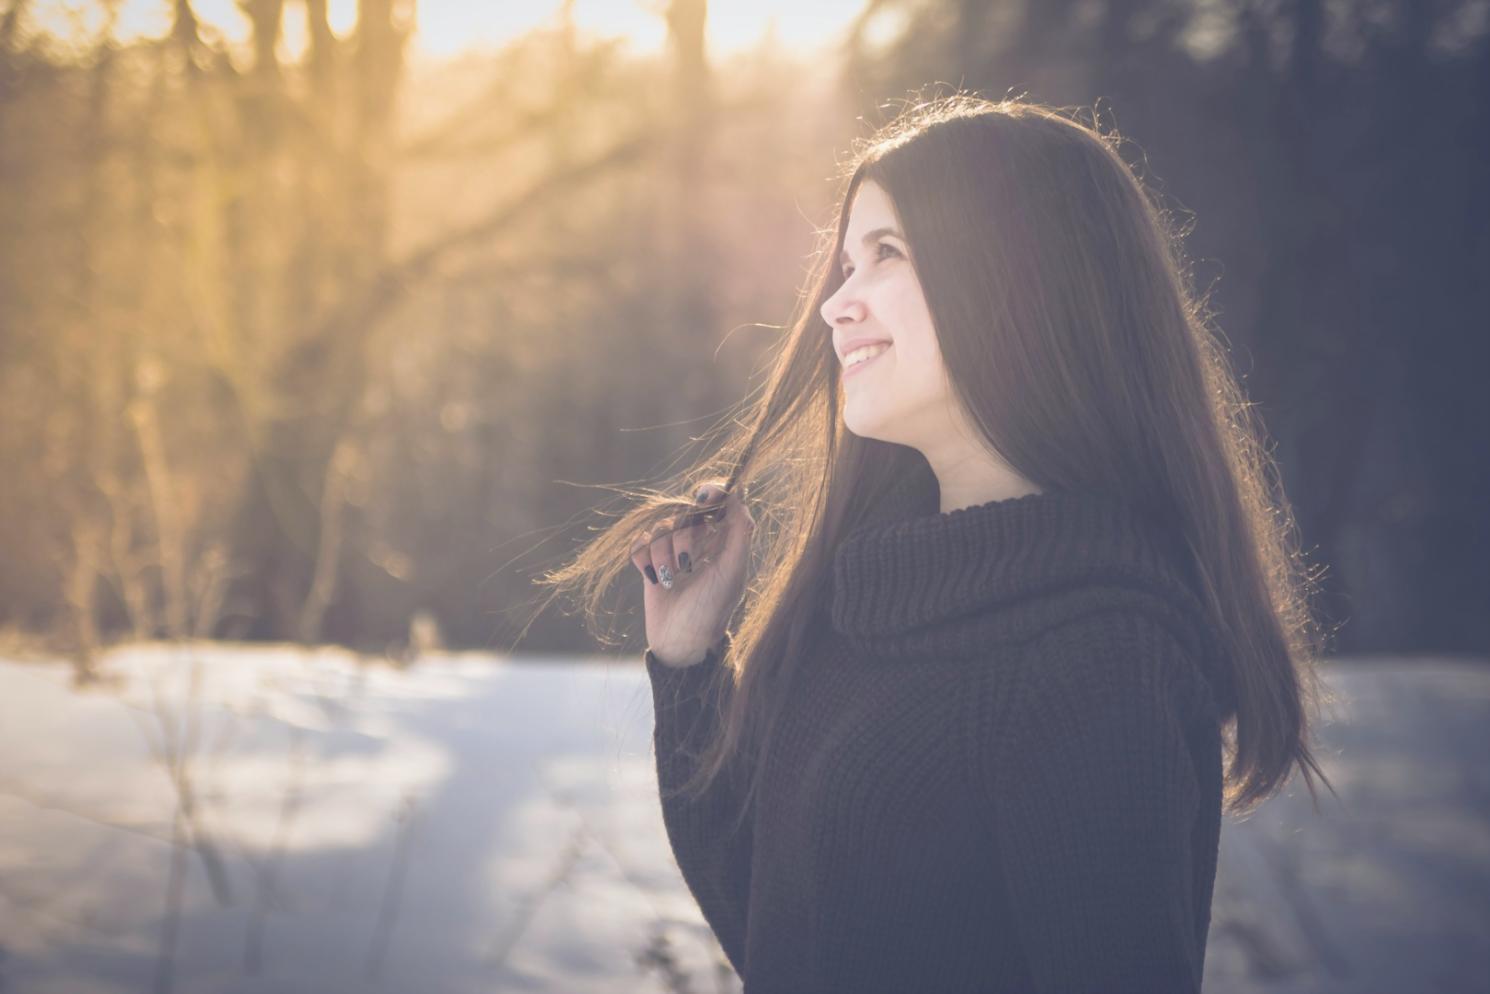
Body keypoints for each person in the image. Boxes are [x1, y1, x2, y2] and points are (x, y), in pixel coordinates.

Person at [540, 92, 1336, 993]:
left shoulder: (1095, 662)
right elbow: (782, 929)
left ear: (1022, 280)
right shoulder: (873, 598)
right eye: (845, 263)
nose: (837, 305)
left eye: (888, 253)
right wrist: (688, 665)